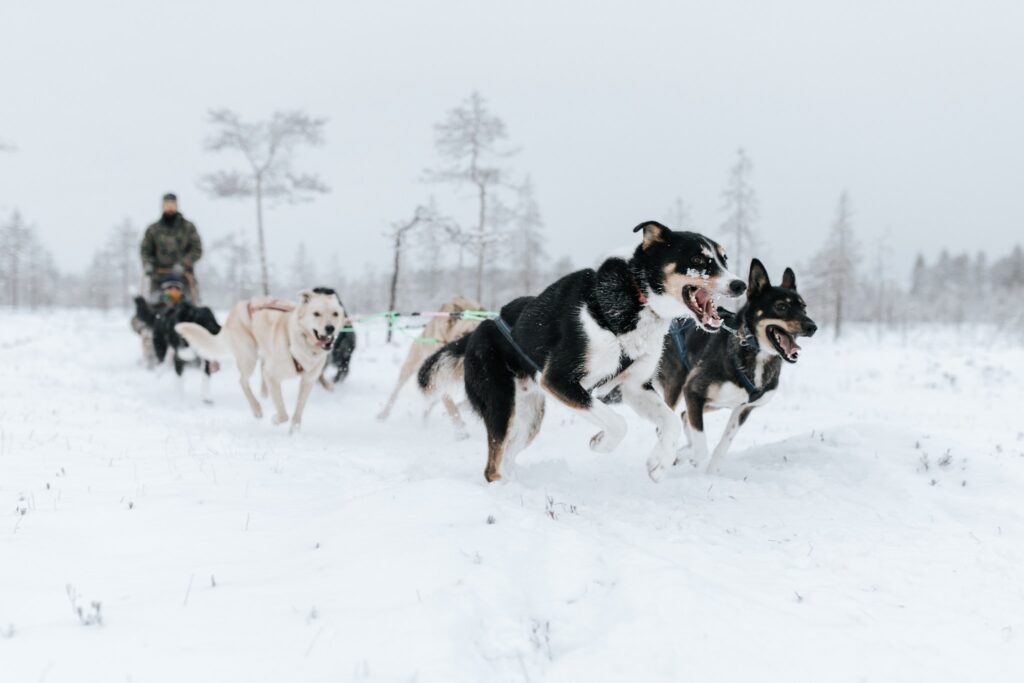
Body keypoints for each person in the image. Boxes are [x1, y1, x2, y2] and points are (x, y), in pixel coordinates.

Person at [140, 193, 203, 302]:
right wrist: (148, 264)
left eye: (172, 204)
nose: (170, 207)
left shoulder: (188, 227)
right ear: (162, 206)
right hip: (158, 278)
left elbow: (197, 250)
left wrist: (184, 264)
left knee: (191, 307)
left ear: (177, 205)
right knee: (151, 306)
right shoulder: (153, 229)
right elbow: (145, 251)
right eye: (167, 204)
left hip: (184, 277)